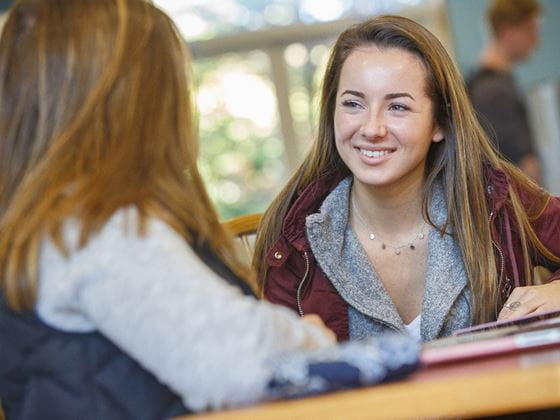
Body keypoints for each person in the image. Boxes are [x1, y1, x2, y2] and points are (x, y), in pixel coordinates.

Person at [0, 1, 421, 419]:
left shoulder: (43, 225)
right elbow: (239, 365)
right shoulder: (98, 229)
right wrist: (307, 339)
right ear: (143, 101)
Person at [253, 15, 560, 344]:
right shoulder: (293, 238)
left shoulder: (494, 197)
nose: (372, 129)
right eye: (353, 104)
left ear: (439, 123)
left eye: (397, 107)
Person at [468, 0, 542, 183]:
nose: (536, 41)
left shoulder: (491, 83)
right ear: (508, 32)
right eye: (530, 30)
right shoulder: (493, 90)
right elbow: (523, 168)